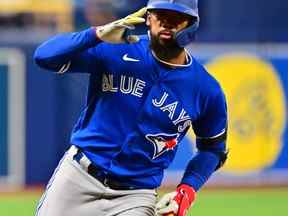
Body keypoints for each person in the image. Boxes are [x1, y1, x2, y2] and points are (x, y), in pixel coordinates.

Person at [34, 0, 228, 215]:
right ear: (148, 18)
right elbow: (44, 57)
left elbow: (212, 149)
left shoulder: (206, 89)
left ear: (192, 25)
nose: (166, 23)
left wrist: (188, 189)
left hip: (135, 195)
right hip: (78, 176)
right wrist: (94, 35)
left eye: (176, 18)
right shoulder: (116, 49)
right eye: (160, 15)